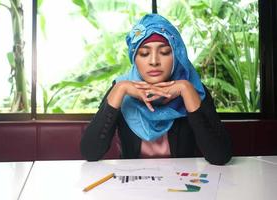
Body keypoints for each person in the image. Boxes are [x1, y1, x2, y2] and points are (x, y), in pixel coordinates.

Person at [80, 13, 232, 165]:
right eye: (144, 53)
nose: (154, 61)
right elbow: (90, 152)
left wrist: (186, 89)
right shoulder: (121, 88)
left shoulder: (193, 88)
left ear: (177, 55)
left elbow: (220, 156)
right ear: (134, 58)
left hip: (180, 182)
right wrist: (120, 90)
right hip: (132, 183)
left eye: (165, 52)